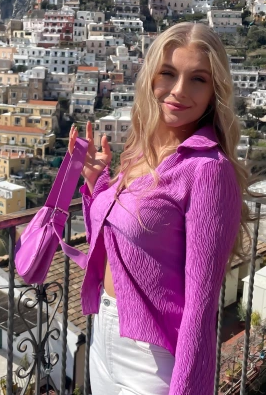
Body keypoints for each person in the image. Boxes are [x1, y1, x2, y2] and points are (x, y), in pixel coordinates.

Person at [68, 22, 250, 395]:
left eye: (198, 79)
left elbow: (200, 307)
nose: (179, 91)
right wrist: (95, 183)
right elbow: (115, 242)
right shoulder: (139, 151)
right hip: (103, 332)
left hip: (151, 357)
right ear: (151, 76)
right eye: (168, 73)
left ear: (215, 90)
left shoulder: (208, 170)